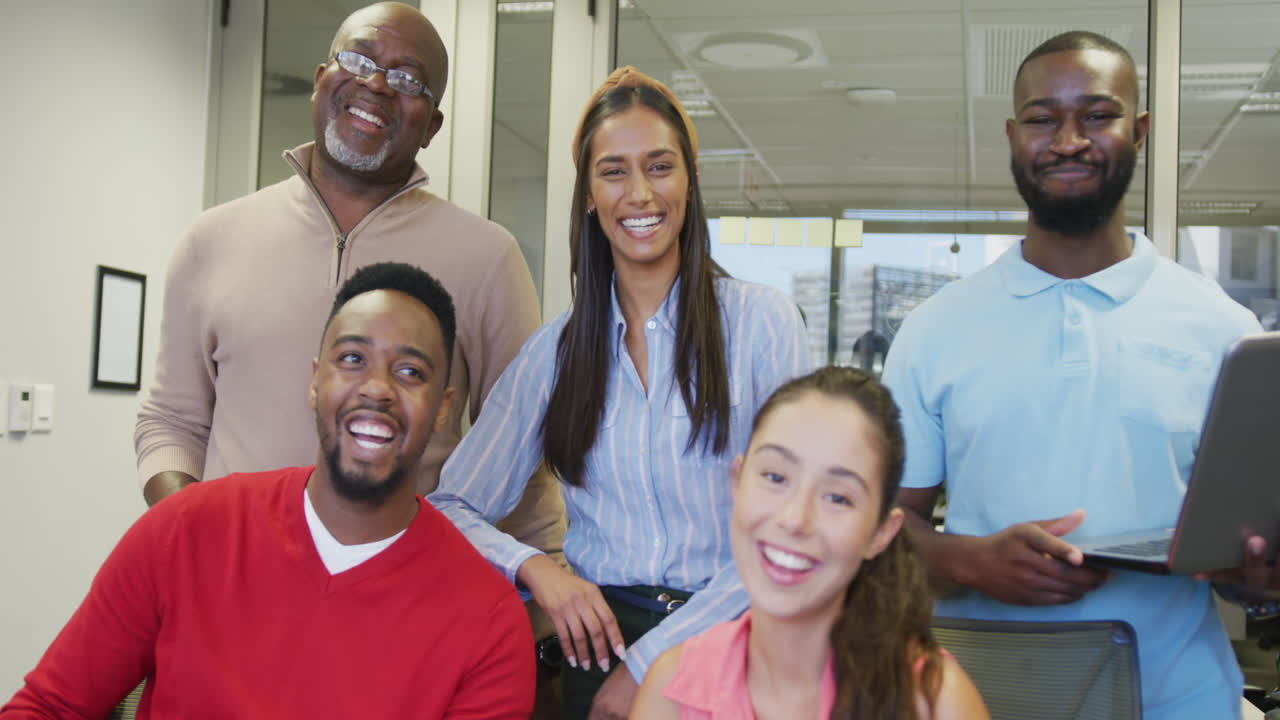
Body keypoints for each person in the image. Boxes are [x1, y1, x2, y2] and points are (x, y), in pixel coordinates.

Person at [880, 30, 1270, 717]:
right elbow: (885, 525)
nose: (1068, 140)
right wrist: (969, 563)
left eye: (1097, 115)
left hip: (1179, 698)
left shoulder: (1224, 331)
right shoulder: (936, 328)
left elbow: (1250, 548)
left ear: (1140, 130)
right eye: (1042, 119)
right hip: (984, 695)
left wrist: (1260, 576)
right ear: (1012, 135)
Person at [429, 66, 809, 720]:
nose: (640, 193)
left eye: (660, 167)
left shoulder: (762, 325)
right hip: (598, 650)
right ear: (587, 195)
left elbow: (793, 528)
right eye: (613, 171)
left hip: (740, 642)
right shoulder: (556, 353)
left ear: (689, 180)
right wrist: (535, 569)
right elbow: (448, 508)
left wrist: (650, 663)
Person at [1, 263, 534, 719]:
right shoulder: (183, 531)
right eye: (352, 359)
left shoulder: (488, 624)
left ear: (442, 408)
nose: (376, 388)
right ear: (314, 380)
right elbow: (50, 707)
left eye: (409, 371)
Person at [132, 0, 563, 561]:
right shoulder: (212, 239)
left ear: (432, 126)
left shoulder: (487, 257)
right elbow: (172, 421)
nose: (378, 85)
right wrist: (195, 537)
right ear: (321, 80)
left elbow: (522, 454)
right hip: (233, 577)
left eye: (408, 79)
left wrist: (547, 581)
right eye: (359, 61)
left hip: (404, 591)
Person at [631, 367, 990, 720]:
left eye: (837, 498)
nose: (794, 519)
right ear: (737, 482)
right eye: (775, 476)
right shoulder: (670, 692)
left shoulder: (936, 701)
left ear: (882, 532)